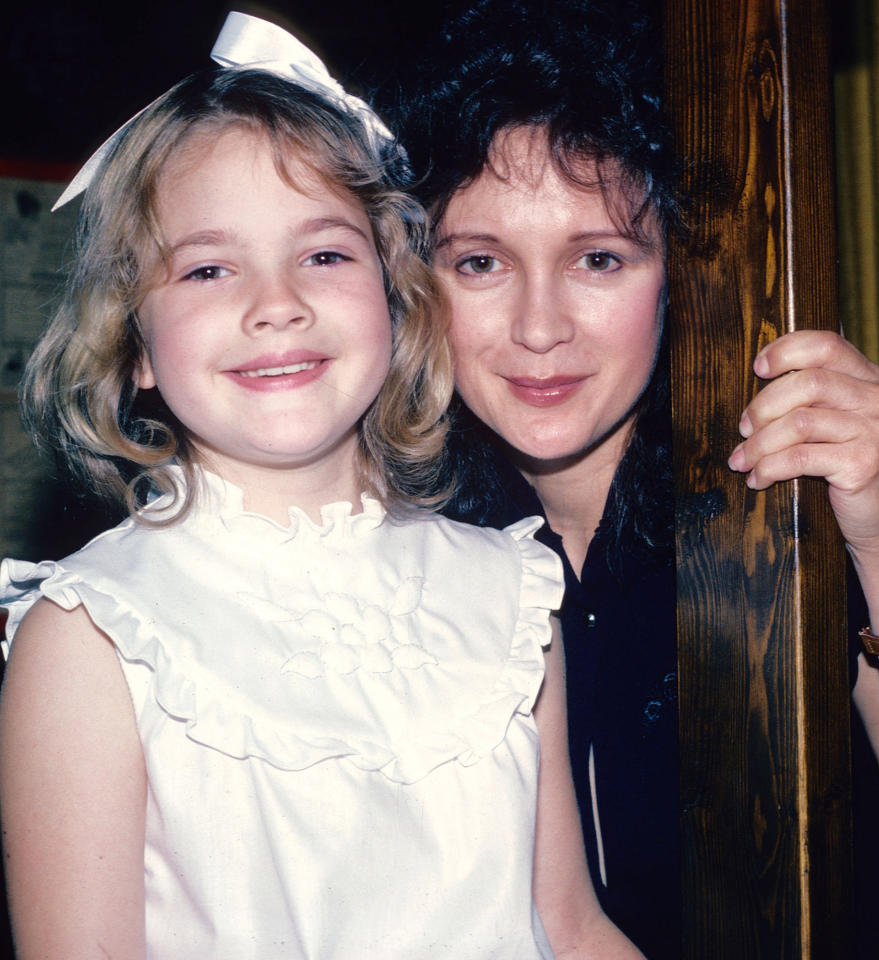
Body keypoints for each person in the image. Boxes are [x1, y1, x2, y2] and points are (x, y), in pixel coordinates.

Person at [0, 13, 645, 959]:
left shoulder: (512, 597)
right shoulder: (97, 636)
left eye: (326, 254)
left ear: (397, 296)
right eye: (211, 268)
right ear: (135, 343)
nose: (277, 303)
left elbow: (575, 929)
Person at [387, 0, 879, 956]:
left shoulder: (789, 462)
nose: (540, 326)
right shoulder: (404, 534)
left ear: (678, 275)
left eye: (599, 259)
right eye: (481, 262)